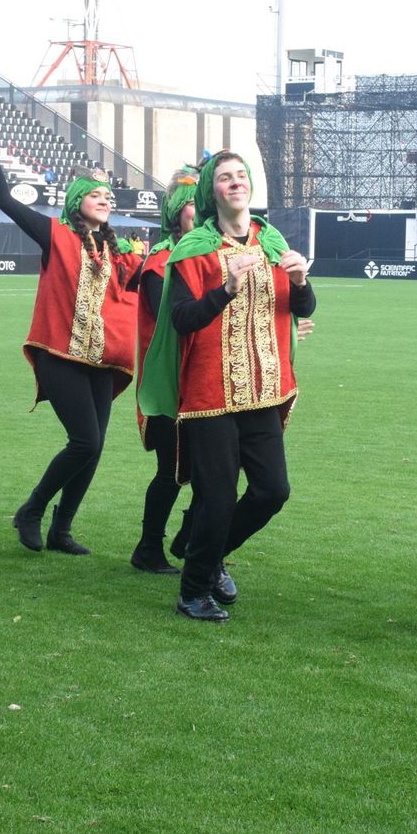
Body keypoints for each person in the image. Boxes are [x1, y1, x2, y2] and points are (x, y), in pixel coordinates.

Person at [139, 151, 315, 622]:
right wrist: (226, 290)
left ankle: (206, 552)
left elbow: (301, 305)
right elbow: (179, 319)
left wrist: (300, 282)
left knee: (272, 492)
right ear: (210, 191)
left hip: (264, 389)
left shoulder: (271, 241)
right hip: (210, 395)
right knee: (215, 499)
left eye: (241, 176)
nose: (235, 183)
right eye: (224, 178)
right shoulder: (192, 250)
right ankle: (192, 592)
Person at [0, 106, 139, 555]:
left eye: (108, 196)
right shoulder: (56, 234)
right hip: (59, 354)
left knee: (93, 449)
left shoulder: (118, 251)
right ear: (76, 200)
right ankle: (32, 510)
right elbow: (5, 201)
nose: (105, 199)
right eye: (95, 194)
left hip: (100, 360)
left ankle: (62, 530)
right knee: (85, 441)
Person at [129, 167, 201, 576]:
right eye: (192, 204)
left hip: (202, 378)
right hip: (170, 384)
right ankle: (149, 547)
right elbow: (169, 318)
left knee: (216, 465)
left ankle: (188, 535)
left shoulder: (206, 252)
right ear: (176, 212)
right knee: (172, 470)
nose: (198, 210)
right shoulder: (161, 261)